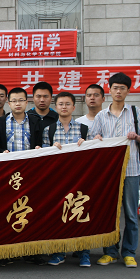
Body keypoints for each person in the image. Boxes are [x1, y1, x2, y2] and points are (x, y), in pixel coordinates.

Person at [91, 72, 140, 269]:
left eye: (122, 88)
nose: (118, 91)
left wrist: (136, 137)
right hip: (109, 173)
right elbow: (93, 138)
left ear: (128, 91)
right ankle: (110, 252)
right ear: (110, 90)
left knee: (131, 214)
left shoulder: (135, 112)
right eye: (115, 88)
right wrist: (97, 139)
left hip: (131, 170)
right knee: (110, 213)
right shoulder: (101, 115)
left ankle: (129, 253)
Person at [41, 92, 91, 268]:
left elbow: (93, 154)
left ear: (73, 107)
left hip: (80, 178)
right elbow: (44, 157)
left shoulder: (84, 129)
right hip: (58, 180)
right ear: (56, 107)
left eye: (67, 104)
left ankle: (84, 253)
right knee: (59, 216)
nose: (64, 107)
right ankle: (58, 252)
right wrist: (51, 149)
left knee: (81, 215)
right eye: (61, 104)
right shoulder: (49, 130)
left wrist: (90, 143)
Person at [0, 87, 44, 266]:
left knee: (31, 210)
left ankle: (32, 251)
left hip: (30, 173)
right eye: (14, 101)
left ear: (27, 102)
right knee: (7, 212)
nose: (17, 104)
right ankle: (7, 252)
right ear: (8, 103)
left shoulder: (36, 121)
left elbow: (42, 143)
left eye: (21, 100)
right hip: (8, 174)